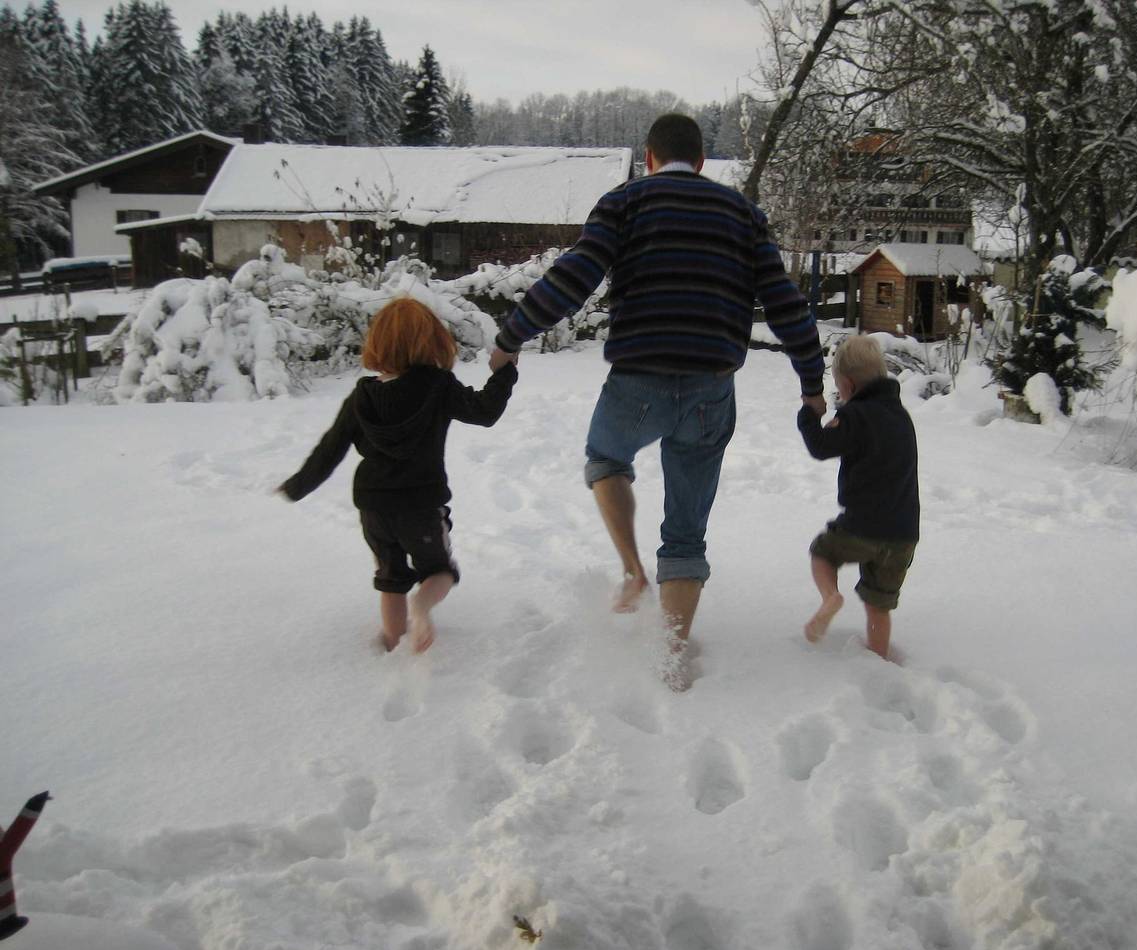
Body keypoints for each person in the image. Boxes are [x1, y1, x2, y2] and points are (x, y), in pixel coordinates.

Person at [490, 113, 825, 689]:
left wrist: (510, 337)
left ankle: (632, 572)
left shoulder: (625, 201)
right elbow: (784, 300)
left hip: (636, 381)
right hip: (710, 387)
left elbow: (576, 275)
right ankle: (671, 657)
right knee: (687, 532)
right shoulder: (744, 215)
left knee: (605, 459)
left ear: (649, 157)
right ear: (700, 161)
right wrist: (812, 384)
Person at [279, 297, 518, 653]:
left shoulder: (361, 397)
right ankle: (421, 607)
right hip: (420, 505)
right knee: (438, 571)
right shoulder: (437, 385)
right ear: (433, 341)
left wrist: (298, 486)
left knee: (390, 577)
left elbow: (330, 449)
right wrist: (504, 372)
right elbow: (484, 411)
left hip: (373, 506)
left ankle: (391, 641)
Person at [798, 335, 919, 660]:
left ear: (848, 385)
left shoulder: (856, 417)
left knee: (823, 553)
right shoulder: (901, 417)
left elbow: (821, 446)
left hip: (862, 526)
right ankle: (878, 658)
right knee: (878, 603)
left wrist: (809, 416)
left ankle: (830, 598)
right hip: (903, 535)